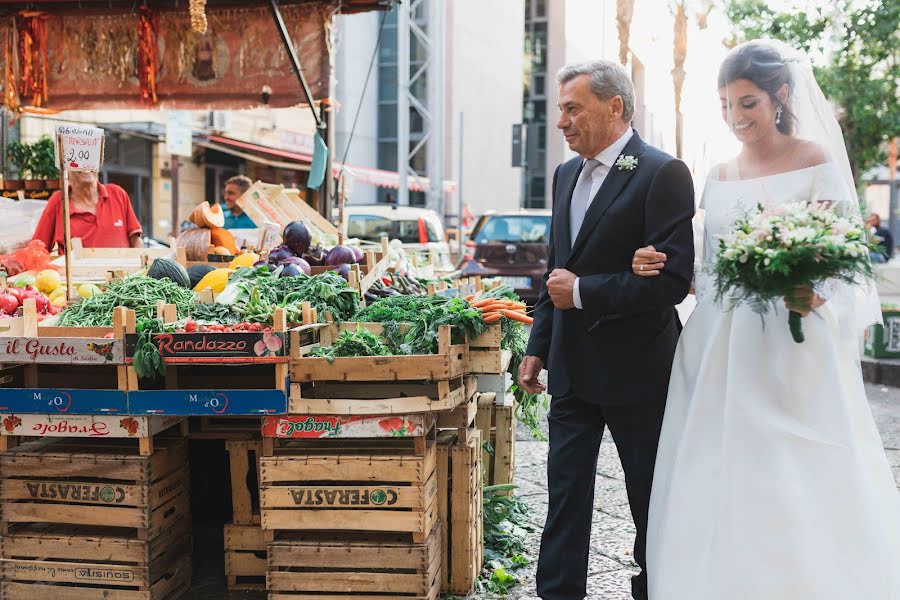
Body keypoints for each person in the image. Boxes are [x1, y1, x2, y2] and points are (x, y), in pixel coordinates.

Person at [631, 40, 900, 599]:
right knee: (717, 462)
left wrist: (814, 292)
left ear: (780, 96)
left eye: (747, 103)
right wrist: (654, 264)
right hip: (720, 342)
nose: (736, 118)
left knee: (795, 458)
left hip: (795, 337)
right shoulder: (721, 174)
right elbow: (704, 270)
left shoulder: (815, 161)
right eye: (727, 105)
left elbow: (843, 256)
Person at [518, 59, 695, 600]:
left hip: (637, 372)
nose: (563, 121)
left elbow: (673, 281)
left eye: (574, 108)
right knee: (564, 494)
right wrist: (538, 346)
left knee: (648, 497)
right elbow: (557, 268)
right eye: (560, 110)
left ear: (614, 106)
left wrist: (587, 292)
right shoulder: (564, 174)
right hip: (571, 368)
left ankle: (655, 590)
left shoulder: (663, 173)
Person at [32, 170, 142, 252]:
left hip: (123, 280)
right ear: (65, 173)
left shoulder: (118, 194)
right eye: (77, 161)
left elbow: (136, 240)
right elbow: (38, 249)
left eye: (89, 160)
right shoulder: (59, 201)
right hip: (78, 282)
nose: (85, 166)